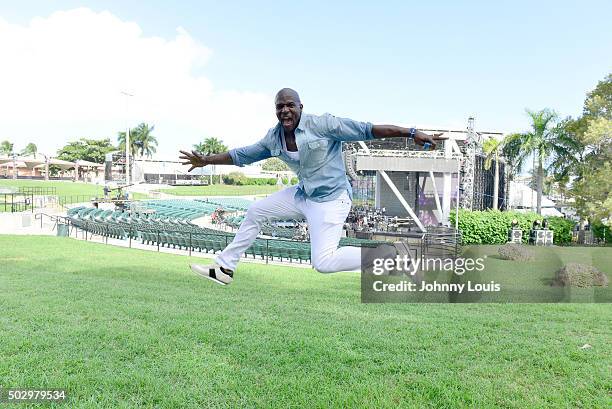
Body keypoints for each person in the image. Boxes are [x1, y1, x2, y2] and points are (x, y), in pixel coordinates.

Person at [180, 88, 442, 285]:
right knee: (256, 211)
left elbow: (368, 129)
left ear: (300, 107)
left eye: (290, 105)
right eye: (279, 106)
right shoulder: (274, 137)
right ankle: (224, 268)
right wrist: (206, 160)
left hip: (331, 199)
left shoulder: (323, 125)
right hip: (303, 194)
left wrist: (410, 132)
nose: (285, 110)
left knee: (324, 263)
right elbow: (242, 155)